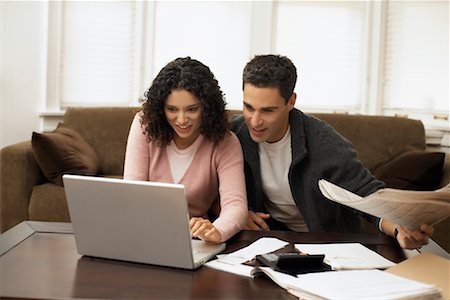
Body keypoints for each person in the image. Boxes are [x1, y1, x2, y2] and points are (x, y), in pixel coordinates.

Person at [231, 54, 433, 250]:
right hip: (273, 241)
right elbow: (211, 183)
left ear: (291, 101)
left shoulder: (325, 142)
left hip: (329, 244)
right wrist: (238, 212)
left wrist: (400, 229)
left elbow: (367, 195)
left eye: (268, 111)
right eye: (248, 107)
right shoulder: (235, 134)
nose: (255, 121)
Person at [124, 57, 247, 243]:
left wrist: (216, 231)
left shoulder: (226, 142)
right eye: (172, 109)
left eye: (191, 109)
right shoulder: (144, 126)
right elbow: (131, 193)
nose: (181, 120)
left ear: (207, 107)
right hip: (144, 235)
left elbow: (235, 205)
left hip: (195, 241)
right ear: (160, 108)